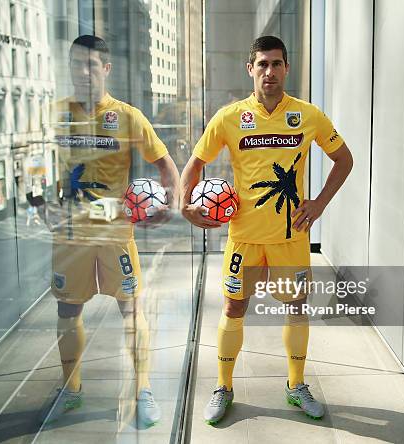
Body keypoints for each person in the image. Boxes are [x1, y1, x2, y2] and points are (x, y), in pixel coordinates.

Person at [180, 36, 353, 424]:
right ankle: (223, 387)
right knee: (233, 306)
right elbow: (194, 164)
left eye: (276, 64)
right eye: (262, 64)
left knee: (295, 307)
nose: (269, 72)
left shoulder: (308, 115)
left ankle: (295, 386)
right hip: (243, 236)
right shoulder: (229, 117)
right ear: (250, 69)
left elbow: (344, 159)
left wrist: (320, 202)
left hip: (291, 237)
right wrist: (184, 204)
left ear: (287, 68)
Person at [43, 35, 180, 427]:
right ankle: (71, 389)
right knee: (67, 310)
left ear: (106, 68)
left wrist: (165, 207)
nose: (82, 72)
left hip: (116, 234)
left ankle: (143, 392)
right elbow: (36, 162)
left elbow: (166, 165)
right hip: (69, 237)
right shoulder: (56, 114)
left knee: (131, 311)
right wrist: (42, 205)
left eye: (90, 64)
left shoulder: (128, 116)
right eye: (75, 63)